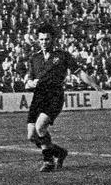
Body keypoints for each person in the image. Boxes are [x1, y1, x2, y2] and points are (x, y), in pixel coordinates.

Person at [25, 22, 105, 172]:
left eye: (46, 39)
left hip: (54, 95)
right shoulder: (34, 58)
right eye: (41, 39)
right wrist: (30, 83)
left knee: (40, 126)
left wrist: (97, 88)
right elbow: (29, 80)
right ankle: (59, 152)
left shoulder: (62, 56)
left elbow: (80, 73)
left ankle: (48, 162)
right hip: (38, 96)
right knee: (31, 135)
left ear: (53, 39)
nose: (43, 42)